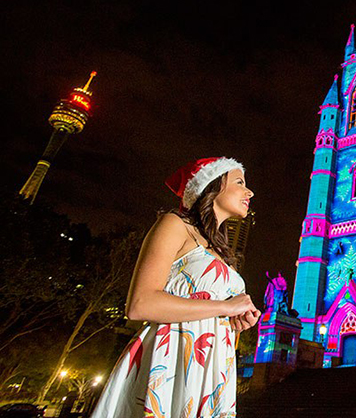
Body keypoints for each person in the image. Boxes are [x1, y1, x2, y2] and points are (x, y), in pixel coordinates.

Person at [92, 157, 261, 418]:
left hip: (212, 368)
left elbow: (214, 312)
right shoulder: (175, 224)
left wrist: (235, 319)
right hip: (171, 359)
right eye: (240, 182)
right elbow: (140, 304)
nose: (249, 191)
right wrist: (225, 306)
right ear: (211, 187)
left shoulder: (224, 254)